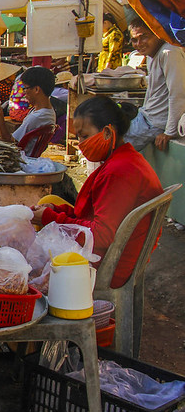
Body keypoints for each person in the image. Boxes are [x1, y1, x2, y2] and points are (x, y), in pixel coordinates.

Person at [32, 96, 163, 288]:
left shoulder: (119, 172)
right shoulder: (124, 160)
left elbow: (101, 236)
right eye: (78, 137)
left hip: (110, 266)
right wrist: (55, 211)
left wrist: (50, 217)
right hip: (113, 255)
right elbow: (93, 214)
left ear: (108, 132)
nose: (81, 144)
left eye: (84, 136)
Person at [123, 18, 185, 152]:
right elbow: (151, 93)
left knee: (116, 148)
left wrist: (170, 131)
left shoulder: (169, 52)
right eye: (134, 40)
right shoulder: (152, 55)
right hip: (147, 118)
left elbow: (178, 94)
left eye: (144, 37)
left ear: (156, 33)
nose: (139, 44)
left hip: (156, 123)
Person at [0, 66, 57, 153]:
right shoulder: (48, 111)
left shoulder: (37, 117)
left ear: (36, 89)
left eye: (25, 88)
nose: (23, 92)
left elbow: (8, 140)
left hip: (20, 158)